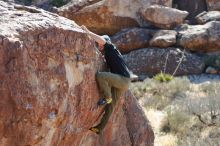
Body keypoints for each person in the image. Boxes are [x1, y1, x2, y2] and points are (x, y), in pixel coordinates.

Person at [81, 25, 138, 134]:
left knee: (100, 76)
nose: (98, 45)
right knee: (110, 107)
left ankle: (107, 97)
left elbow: (102, 40)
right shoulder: (111, 53)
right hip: (124, 82)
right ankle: (99, 128)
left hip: (123, 80)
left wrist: (87, 32)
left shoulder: (110, 47)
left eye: (99, 43)